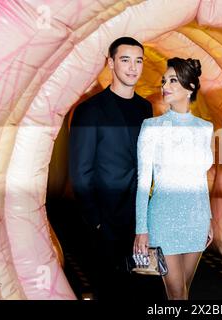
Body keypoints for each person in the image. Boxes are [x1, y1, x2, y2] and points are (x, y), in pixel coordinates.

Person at [68, 37, 164, 300]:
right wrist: (96, 220)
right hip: (106, 220)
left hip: (139, 219)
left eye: (138, 60)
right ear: (110, 63)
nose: (133, 67)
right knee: (110, 289)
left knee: (144, 288)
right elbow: (80, 171)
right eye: (125, 60)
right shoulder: (90, 110)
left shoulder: (145, 107)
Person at [133, 57, 214, 300]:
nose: (164, 86)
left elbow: (202, 179)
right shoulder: (151, 127)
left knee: (184, 291)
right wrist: (141, 229)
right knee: (177, 292)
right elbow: (143, 182)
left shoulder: (205, 128)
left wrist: (209, 217)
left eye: (173, 81)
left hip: (197, 220)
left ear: (190, 88)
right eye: (164, 81)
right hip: (164, 220)